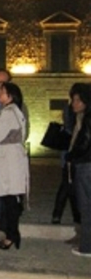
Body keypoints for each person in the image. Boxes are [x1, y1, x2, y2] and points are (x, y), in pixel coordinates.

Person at [0, 82, 29, 250]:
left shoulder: (8, 113)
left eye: (2, 92)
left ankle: (12, 235)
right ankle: (12, 233)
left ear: (10, 95)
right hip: (11, 160)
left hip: (8, 162)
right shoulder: (14, 111)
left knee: (10, 199)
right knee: (10, 199)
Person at [64, 83, 91, 257]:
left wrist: (71, 155)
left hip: (86, 165)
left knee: (86, 206)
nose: (73, 104)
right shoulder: (80, 118)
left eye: (77, 100)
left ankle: (87, 247)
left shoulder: (87, 119)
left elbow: (84, 143)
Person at [51, 96, 78, 226]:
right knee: (69, 185)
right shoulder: (74, 111)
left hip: (69, 154)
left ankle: (60, 215)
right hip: (72, 155)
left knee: (69, 185)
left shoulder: (69, 109)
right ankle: (73, 216)